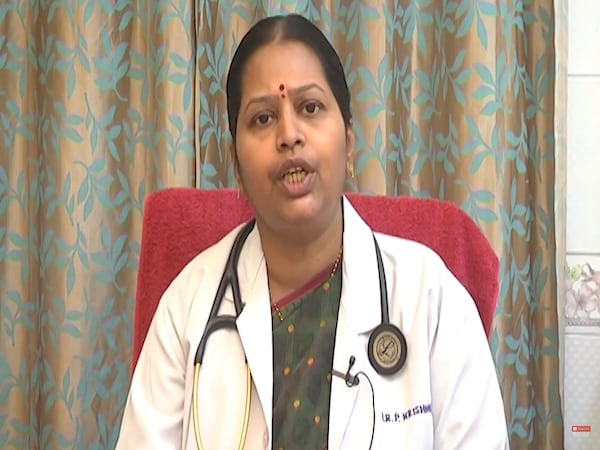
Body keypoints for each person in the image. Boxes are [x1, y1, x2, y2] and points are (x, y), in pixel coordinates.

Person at [116, 13, 509, 450]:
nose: (289, 135)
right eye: (263, 118)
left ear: (349, 143)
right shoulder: (187, 307)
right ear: (237, 167)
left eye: (310, 108)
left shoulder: (431, 297)